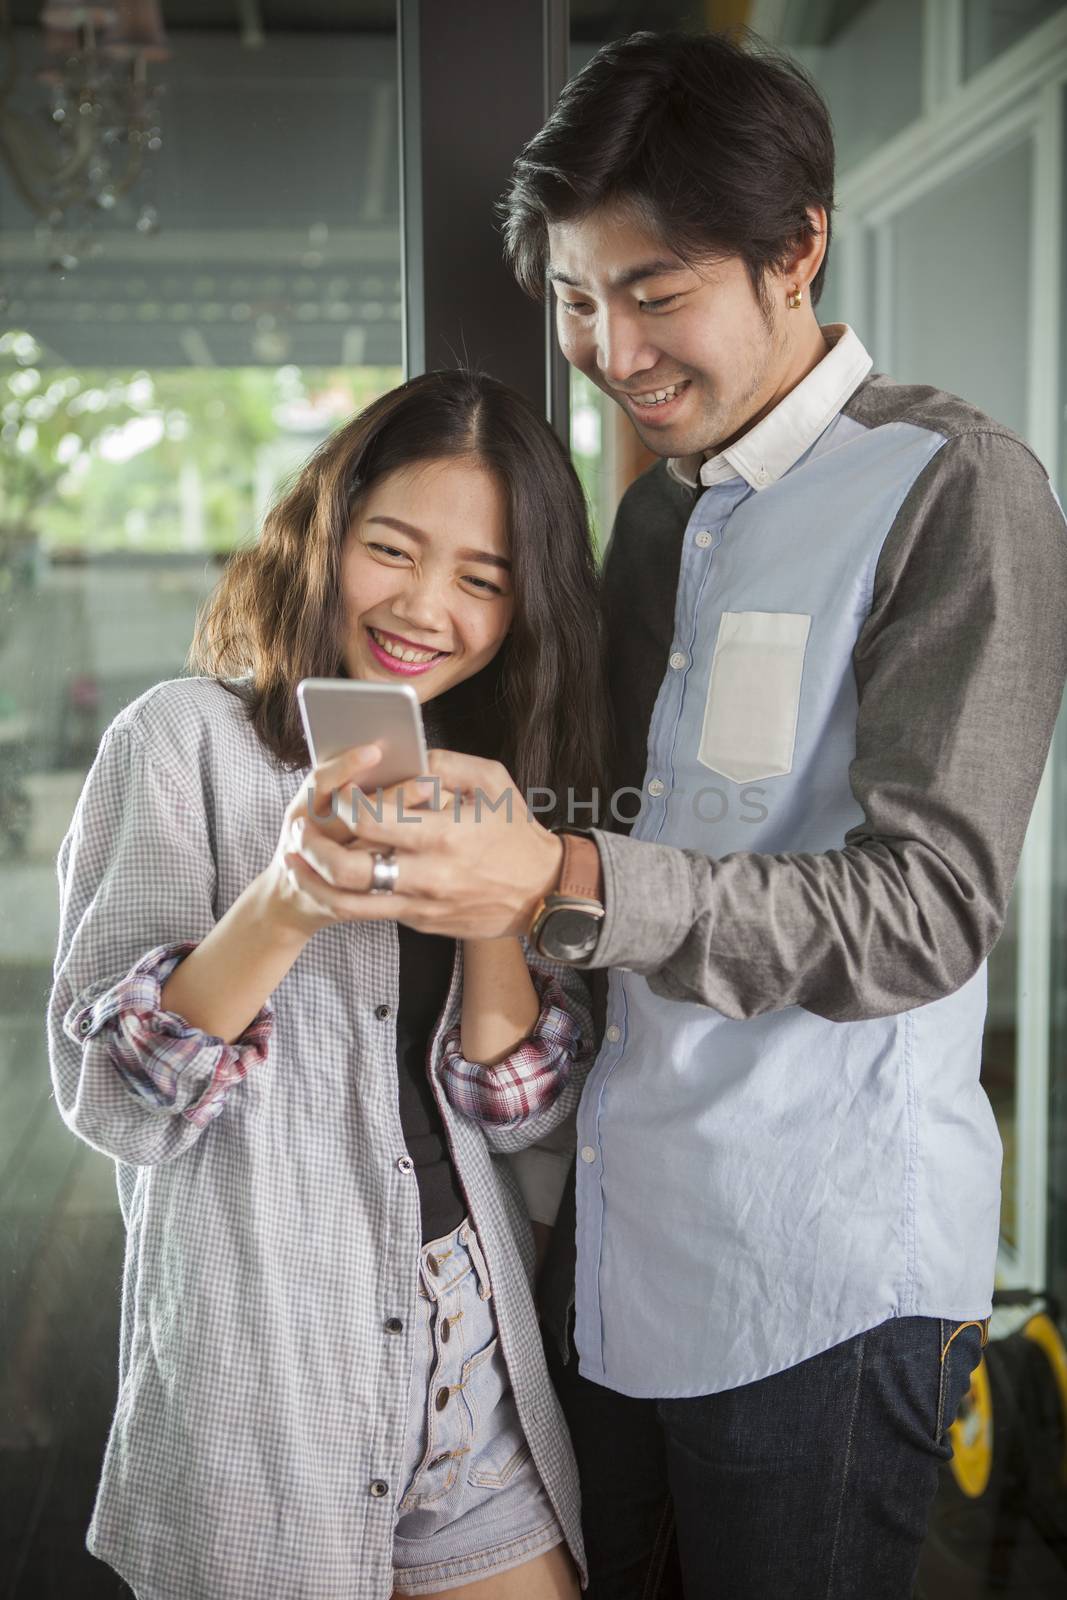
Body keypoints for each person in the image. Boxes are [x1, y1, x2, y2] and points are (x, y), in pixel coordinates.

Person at [322, 28, 1067, 1600]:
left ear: (793, 251)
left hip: (817, 1277)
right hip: (618, 1239)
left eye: (653, 294)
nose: (610, 346)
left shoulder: (950, 491)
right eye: (577, 302)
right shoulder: (659, 512)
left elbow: (924, 911)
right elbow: (618, 804)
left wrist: (566, 869)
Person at [46, 368, 610, 1600]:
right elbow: (117, 1102)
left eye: (481, 578)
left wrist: (487, 904)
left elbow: (519, 1105)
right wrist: (289, 895)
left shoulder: (494, 781)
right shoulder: (179, 742)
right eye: (391, 548)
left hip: (466, 1346)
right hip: (266, 1374)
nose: (422, 605)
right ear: (326, 530)